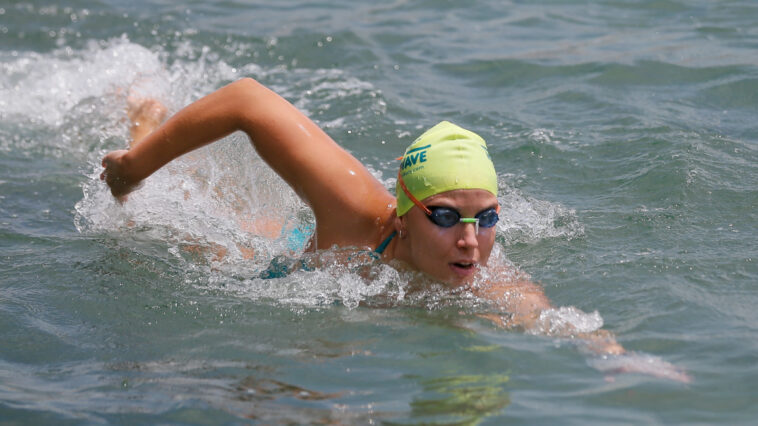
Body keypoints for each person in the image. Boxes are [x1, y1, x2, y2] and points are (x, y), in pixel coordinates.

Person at [101, 78, 690, 381]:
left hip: (319, 266)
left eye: (484, 220)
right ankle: (143, 129)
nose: (468, 242)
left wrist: (617, 356)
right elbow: (247, 100)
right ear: (403, 215)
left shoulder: (489, 275)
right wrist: (132, 171)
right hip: (279, 261)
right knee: (179, 225)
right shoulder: (359, 210)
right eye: (442, 217)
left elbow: (556, 321)